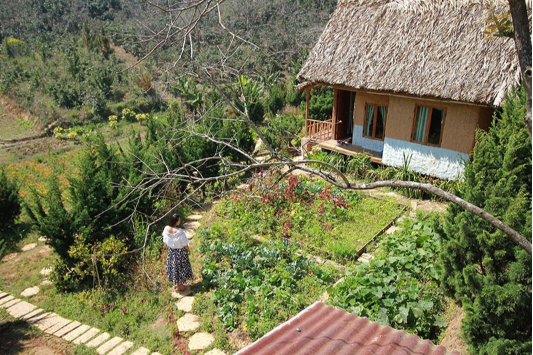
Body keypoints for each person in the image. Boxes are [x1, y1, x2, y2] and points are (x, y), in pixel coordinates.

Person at [162, 214, 193, 291]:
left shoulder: (166, 229)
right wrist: (188, 249)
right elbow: (184, 243)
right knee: (181, 267)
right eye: (179, 220)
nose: (180, 221)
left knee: (174, 267)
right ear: (176, 221)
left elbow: (165, 240)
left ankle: (177, 284)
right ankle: (180, 286)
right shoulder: (179, 232)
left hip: (172, 251)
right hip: (180, 252)